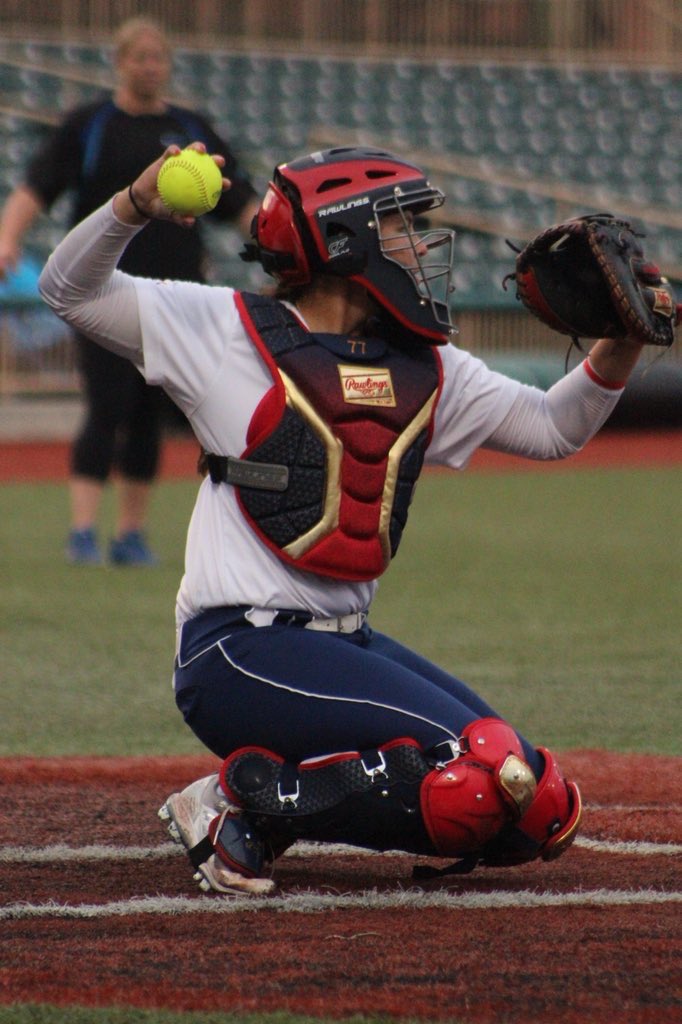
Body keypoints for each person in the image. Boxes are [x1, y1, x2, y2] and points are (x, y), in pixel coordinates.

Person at [39, 141, 653, 896]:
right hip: (239, 652)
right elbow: (67, 288)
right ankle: (238, 803)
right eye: (399, 226)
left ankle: (265, 810)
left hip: (347, 644)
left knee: (537, 808)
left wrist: (622, 342)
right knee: (477, 779)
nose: (418, 246)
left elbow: (554, 429)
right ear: (344, 239)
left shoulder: (424, 364)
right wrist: (134, 203)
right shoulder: (223, 328)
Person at [0, 18, 260, 565]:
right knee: (106, 404)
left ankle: (131, 533)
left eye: (158, 58)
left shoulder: (191, 128)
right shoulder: (90, 124)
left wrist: (277, 246)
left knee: (148, 412)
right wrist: (6, 239)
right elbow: (36, 188)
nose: (149, 66)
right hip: (105, 292)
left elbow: (242, 204)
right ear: (120, 62)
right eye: (139, 57)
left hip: (177, 294)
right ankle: (83, 530)